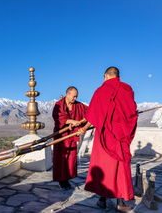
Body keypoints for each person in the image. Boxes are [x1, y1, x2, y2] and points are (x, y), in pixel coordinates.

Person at [78, 67, 138, 211]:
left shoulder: (101, 91)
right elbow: (131, 113)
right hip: (121, 136)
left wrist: (85, 127)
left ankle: (102, 200)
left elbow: (94, 114)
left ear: (105, 76)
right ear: (117, 76)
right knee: (120, 168)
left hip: (105, 136)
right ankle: (121, 202)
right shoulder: (126, 89)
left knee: (104, 167)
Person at [52, 86, 87, 190]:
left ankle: (67, 179)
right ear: (67, 95)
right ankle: (61, 181)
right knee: (61, 158)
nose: (75, 99)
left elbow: (90, 113)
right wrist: (72, 121)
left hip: (72, 136)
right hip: (61, 136)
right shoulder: (59, 104)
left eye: (76, 97)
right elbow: (58, 117)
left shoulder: (79, 105)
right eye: (73, 96)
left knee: (70, 159)